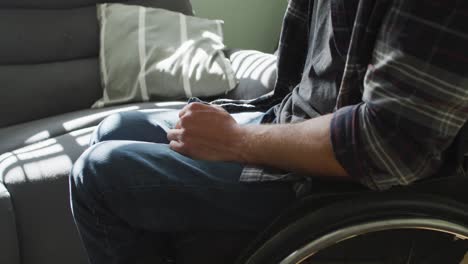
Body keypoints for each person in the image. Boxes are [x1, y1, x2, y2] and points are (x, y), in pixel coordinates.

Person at [69, 0, 468, 263]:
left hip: (338, 183)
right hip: (290, 123)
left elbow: (388, 145)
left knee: (99, 174)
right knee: (117, 126)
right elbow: (307, 79)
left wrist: (236, 141)